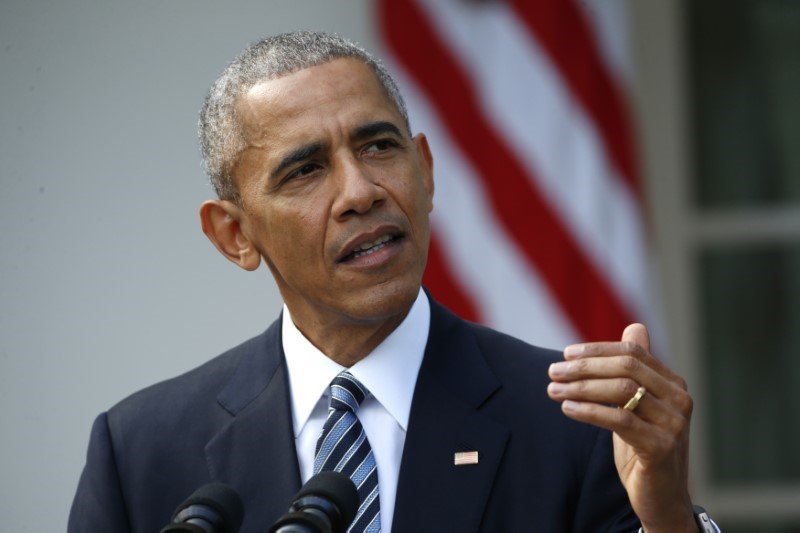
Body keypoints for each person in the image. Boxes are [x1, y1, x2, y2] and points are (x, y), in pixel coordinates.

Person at [68, 31, 708, 532]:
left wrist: (671, 523)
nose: (360, 191)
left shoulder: (577, 423)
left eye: (378, 147)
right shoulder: (141, 452)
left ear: (425, 172)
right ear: (235, 235)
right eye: (305, 171)